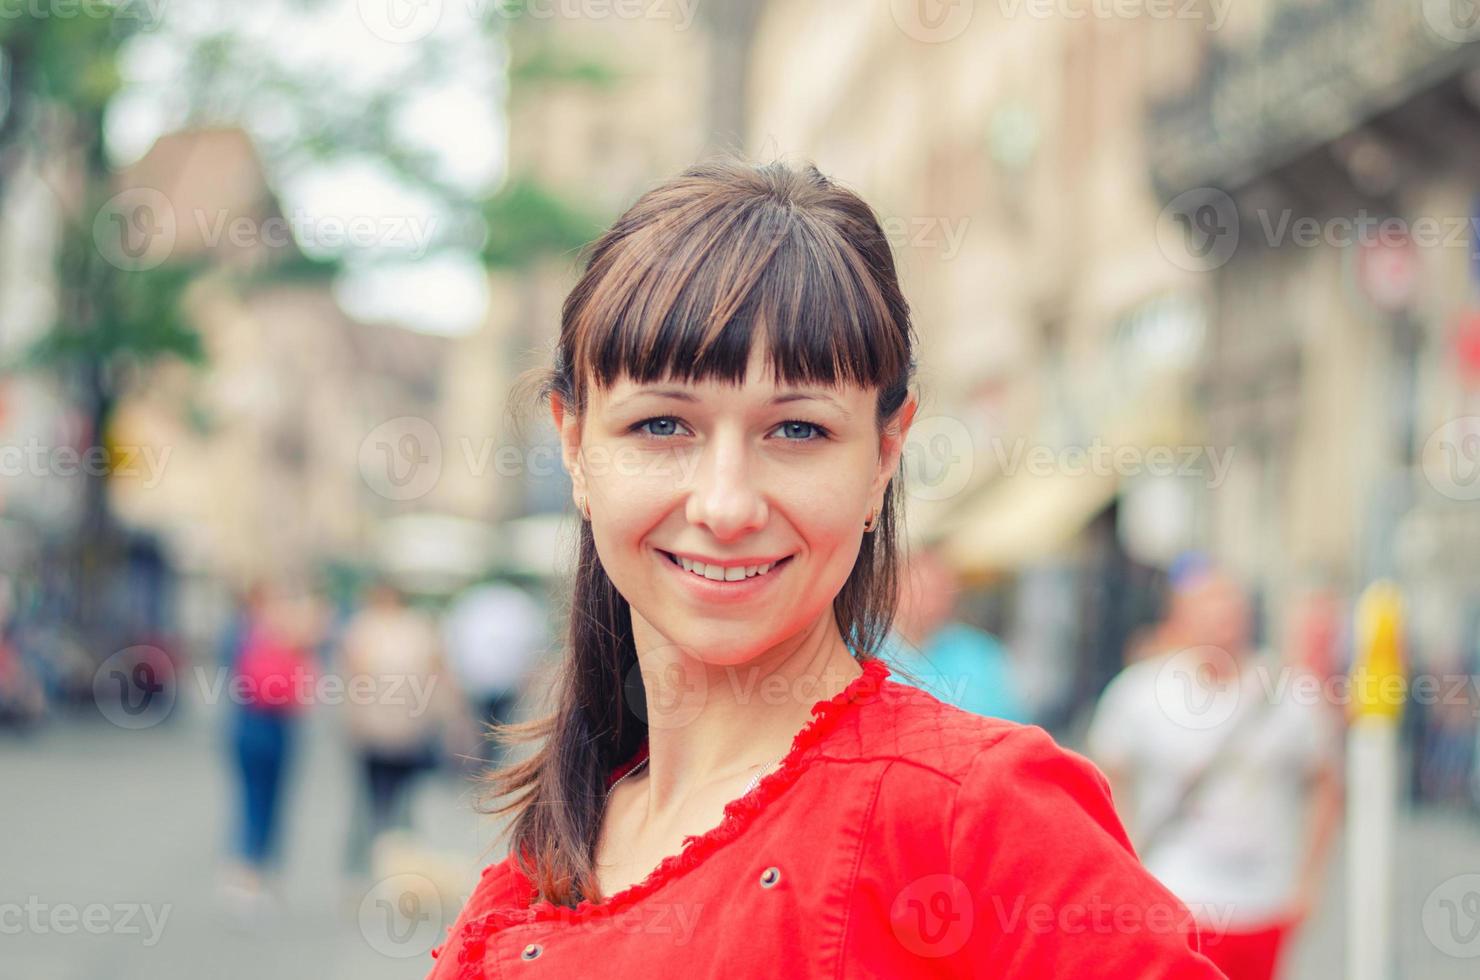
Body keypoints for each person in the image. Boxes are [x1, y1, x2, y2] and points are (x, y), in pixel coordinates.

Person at [427, 158, 1224, 978]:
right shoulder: (525, 887)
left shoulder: (975, 819)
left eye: (797, 431)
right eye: (663, 425)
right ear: (574, 446)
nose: (726, 505)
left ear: (885, 454)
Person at [1086, 567, 1343, 980]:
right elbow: (1105, 777)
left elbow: (1327, 782)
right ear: (1179, 617)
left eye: (1230, 610)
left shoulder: (1291, 695)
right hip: (1175, 893)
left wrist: (1310, 878)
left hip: (1263, 898)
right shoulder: (1141, 694)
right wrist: (1125, 866)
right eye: (1207, 609)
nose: (1221, 622)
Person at [339, 580, 456, 878]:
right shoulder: (415, 628)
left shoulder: (364, 627)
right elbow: (437, 676)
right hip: (405, 729)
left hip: (381, 730)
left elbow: (352, 680)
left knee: (376, 802)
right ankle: (397, 866)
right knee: (399, 802)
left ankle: (377, 865)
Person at [877, 547, 1028, 721]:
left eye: (938, 591)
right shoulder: (858, 648)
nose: (928, 602)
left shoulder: (980, 652)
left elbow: (1008, 717)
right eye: (919, 589)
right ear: (891, 589)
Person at [441, 575, 548, 768]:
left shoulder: (472, 602)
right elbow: (535, 646)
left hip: (479, 682)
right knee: (499, 729)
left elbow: (452, 643)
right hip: (503, 682)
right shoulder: (518, 603)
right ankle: (490, 765)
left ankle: (484, 765)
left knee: (484, 729)